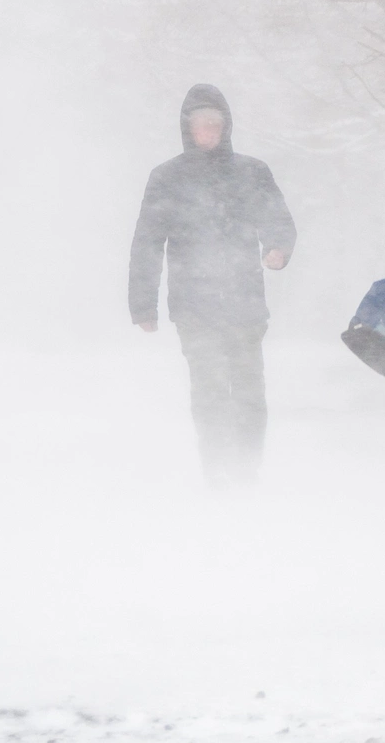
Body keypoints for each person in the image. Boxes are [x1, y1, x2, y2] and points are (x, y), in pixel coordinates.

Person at [129, 84, 296, 486]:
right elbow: (148, 241)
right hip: (193, 306)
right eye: (200, 123)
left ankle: (247, 470)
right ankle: (218, 471)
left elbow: (278, 220)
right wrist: (143, 305)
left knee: (249, 391)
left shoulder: (251, 172)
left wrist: (278, 248)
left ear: (226, 127)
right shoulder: (167, 178)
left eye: (215, 123)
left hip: (245, 304)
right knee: (209, 392)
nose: (208, 129)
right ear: (187, 127)